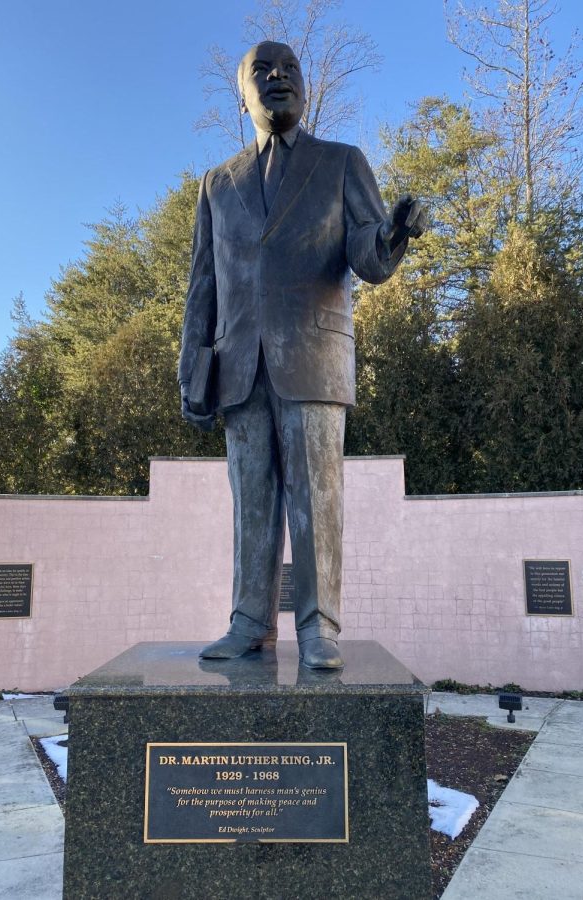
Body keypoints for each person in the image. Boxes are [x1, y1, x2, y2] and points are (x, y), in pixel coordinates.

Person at [179, 41, 425, 669]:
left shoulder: (341, 163)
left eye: (289, 69)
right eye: (263, 70)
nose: (278, 77)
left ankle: (319, 628)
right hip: (239, 368)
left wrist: (394, 231)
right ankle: (248, 624)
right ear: (242, 93)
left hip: (313, 358)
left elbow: (367, 256)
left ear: (306, 88)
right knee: (252, 502)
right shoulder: (217, 183)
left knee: (316, 497)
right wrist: (194, 372)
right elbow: (202, 285)